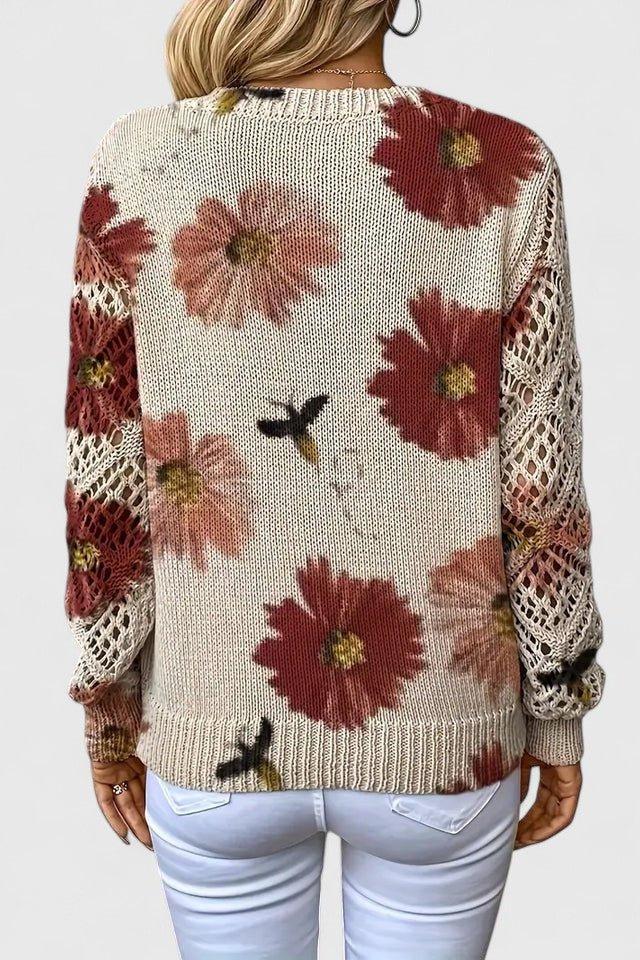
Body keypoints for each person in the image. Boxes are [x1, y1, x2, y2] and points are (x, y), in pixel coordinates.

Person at [62, 1, 605, 957]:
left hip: (213, 735)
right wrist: (557, 716)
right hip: (442, 744)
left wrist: (109, 706)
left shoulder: (139, 157)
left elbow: (103, 470)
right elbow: (542, 486)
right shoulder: (510, 163)